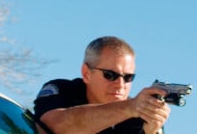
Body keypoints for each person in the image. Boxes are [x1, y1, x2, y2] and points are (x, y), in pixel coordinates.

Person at [33, 36, 171, 134]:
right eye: (110, 75)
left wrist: (150, 132)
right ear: (86, 73)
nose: (120, 85)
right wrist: (129, 108)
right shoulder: (62, 90)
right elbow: (55, 126)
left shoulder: (139, 117)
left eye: (128, 77)